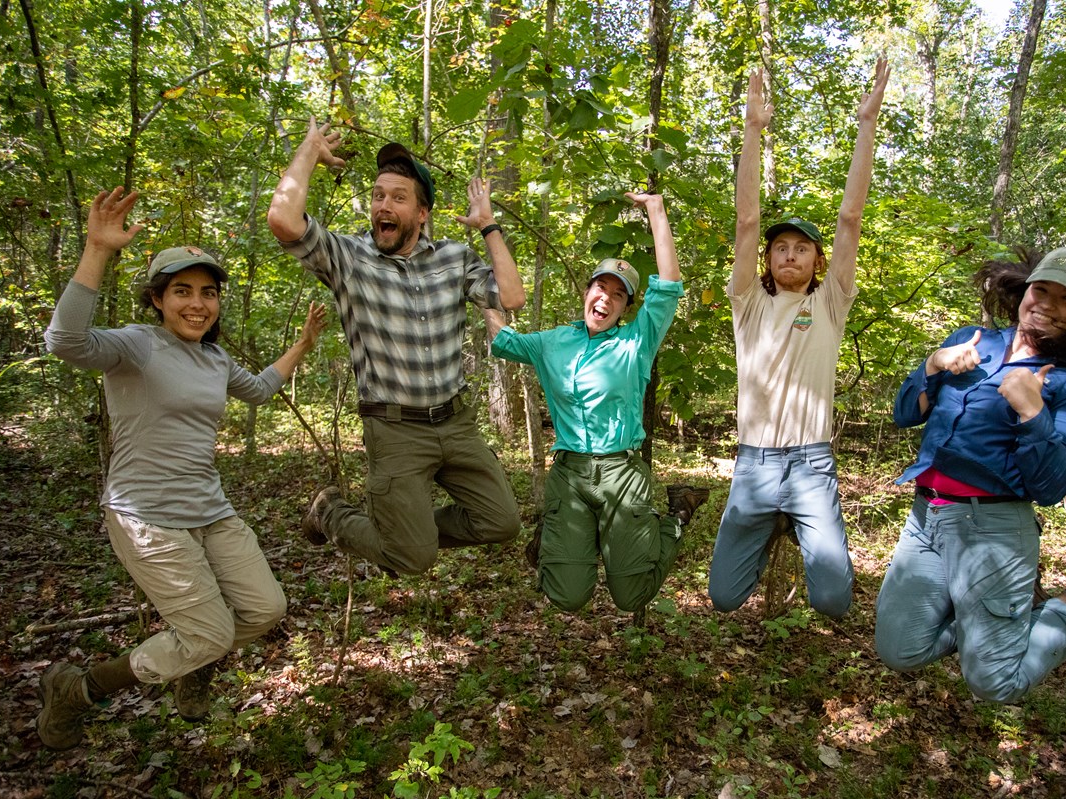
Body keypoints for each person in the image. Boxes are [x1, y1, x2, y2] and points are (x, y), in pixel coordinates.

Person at [37, 187, 328, 750]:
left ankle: (194, 660)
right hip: (147, 516)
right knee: (211, 633)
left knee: (266, 609)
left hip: (209, 510)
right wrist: (97, 249)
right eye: (182, 292)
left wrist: (304, 343)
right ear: (157, 299)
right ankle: (78, 689)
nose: (198, 304)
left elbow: (262, 389)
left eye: (208, 293)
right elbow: (64, 340)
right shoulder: (137, 346)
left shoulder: (214, 358)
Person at [874, 247, 1066, 703]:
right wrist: (932, 363)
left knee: (994, 684)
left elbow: (1053, 486)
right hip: (926, 517)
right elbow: (905, 414)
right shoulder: (973, 341)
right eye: (1041, 290)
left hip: (995, 531)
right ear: (1024, 290)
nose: (1046, 304)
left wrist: (1032, 411)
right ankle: (985, 621)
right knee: (901, 650)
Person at [268, 119, 525, 575]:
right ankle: (331, 513)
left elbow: (512, 296)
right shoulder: (349, 258)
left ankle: (406, 528)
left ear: (422, 213)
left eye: (398, 197)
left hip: (457, 423)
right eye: (378, 196)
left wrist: (488, 226)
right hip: (396, 432)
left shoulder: (453, 258)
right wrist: (308, 150)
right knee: (412, 557)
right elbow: (284, 221)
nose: (383, 205)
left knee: (501, 521)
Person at [708, 61, 890, 619]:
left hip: (812, 464)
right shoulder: (749, 304)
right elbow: (744, 219)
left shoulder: (829, 302)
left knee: (834, 601)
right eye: (780, 247)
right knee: (722, 596)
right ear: (767, 259)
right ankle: (768, 522)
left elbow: (851, 218)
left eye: (802, 248)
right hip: (755, 464)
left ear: (818, 262)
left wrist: (867, 124)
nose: (790, 253)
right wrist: (752, 129)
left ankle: (790, 519)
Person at [484, 192, 709, 621]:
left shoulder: (635, 343)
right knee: (568, 597)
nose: (605, 299)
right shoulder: (553, 342)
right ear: (587, 291)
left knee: (630, 595)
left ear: (625, 308)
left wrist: (656, 210)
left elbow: (670, 287)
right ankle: (557, 540)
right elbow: (503, 341)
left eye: (618, 296)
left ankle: (678, 513)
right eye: (600, 288)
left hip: (622, 476)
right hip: (569, 475)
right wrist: (481, 291)